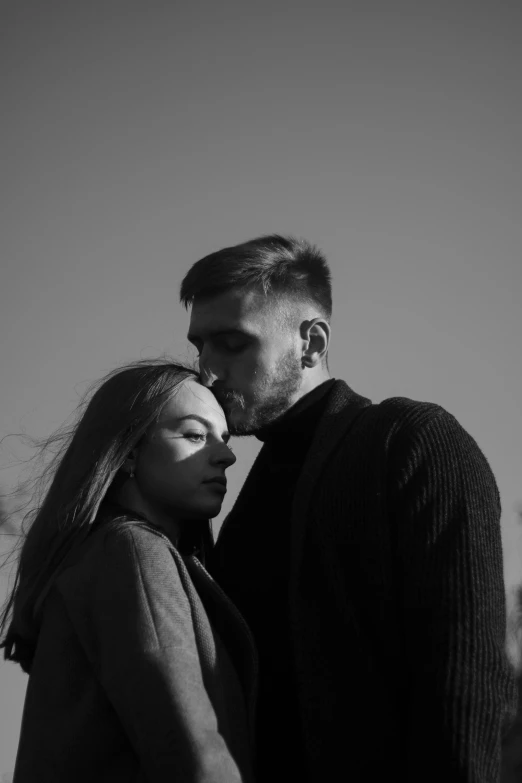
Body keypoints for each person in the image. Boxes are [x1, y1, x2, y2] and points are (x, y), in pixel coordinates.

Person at [180, 234, 517, 783]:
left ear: (311, 342)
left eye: (232, 343)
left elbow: (465, 676)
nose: (206, 371)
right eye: (199, 346)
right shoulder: (235, 502)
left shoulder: (410, 442)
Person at [0, 360, 257, 783]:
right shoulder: (132, 551)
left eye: (224, 439)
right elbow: (191, 746)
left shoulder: (106, 553)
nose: (227, 455)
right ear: (130, 451)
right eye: (195, 434)